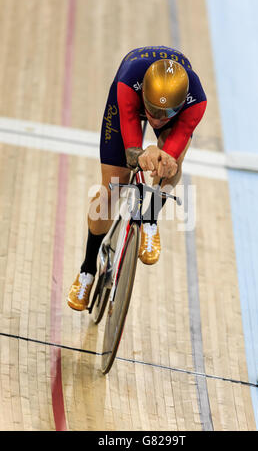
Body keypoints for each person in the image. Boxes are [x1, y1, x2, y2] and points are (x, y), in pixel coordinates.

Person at [67, 45, 207, 311]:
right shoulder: (128, 82)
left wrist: (163, 156)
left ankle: (149, 219)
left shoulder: (196, 101)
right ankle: (87, 270)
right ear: (143, 92)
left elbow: (171, 154)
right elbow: (133, 149)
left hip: (175, 110)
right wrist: (142, 152)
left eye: (165, 114)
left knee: (169, 166)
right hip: (127, 104)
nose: (156, 119)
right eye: (153, 110)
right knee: (112, 191)